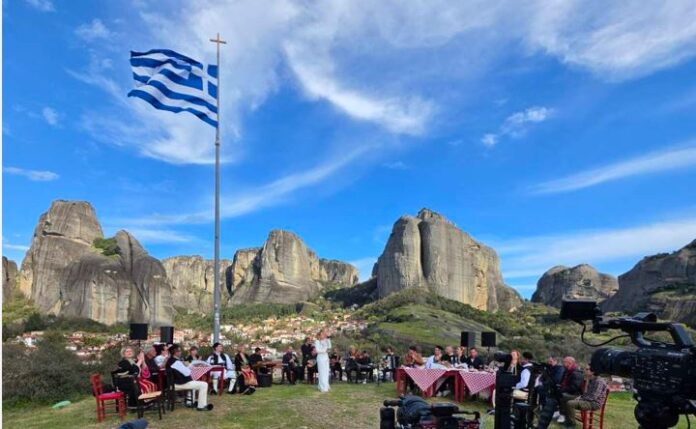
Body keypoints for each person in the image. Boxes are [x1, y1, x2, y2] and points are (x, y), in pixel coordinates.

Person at [166, 344, 213, 411]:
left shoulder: (171, 361)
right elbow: (187, 373)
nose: (180, 352)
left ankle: (190, 402)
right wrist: (187, 365)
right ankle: (201, 406)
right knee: (204, 384)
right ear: (175, 352)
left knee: (193, 382)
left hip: (175, 383)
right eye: (179, 351)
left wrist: (185, 365)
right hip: (177, 384)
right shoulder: (175, 362)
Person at [554, 356, 584, 424]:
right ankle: (558, 412)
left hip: (576, 394)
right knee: (555, 392)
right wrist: (558, 387)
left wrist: (562, 390)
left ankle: (563, 415)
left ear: (570, 363)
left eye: (564, 362)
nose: (563, 364)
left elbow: (574, 388)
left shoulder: (577, 373)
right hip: (569, 392)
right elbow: (562, 382)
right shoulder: (567, 371)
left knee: (562, 395)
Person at [314, 328, 332, 392]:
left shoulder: (325, 340)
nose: (323, 336)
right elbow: (317, 351)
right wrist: (325, 350)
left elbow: (329, 347)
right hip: (320, 358)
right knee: (322, 373)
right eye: (322, 335)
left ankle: (326, 385)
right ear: (319, 336)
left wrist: (328, 338)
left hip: (326, 358)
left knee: (326, 372)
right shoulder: (317, 341)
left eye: (324, 334)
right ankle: (323, 387)